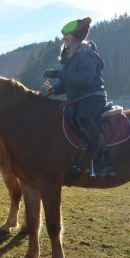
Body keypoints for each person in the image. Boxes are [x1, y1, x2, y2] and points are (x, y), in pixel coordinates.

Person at [43, 17, 115, 177]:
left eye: (66, 35)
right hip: (79, 99)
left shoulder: (86, 54)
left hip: (93, 97)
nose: (64, 38)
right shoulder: (73, 57)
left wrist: (58, 73)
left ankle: (105, 158)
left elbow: (84, 79)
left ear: (75, 36)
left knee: (83, 118)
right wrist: (53, 89)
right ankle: (77, 160)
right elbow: (68, 83)